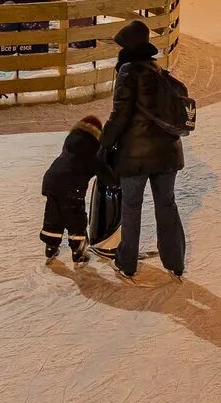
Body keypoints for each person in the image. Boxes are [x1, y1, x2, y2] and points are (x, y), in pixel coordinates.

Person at [96, 20, 186, 282]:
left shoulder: (128, 71)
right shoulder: (158, 70)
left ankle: (127, 263)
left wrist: (104, 143)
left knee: (132, 206)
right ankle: (175, 262)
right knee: (166, 205)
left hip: (136, 156)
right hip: (168, 154)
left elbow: (120, 114)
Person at [40, 114, 110, 263]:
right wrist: (113, 180)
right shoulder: (93, 146)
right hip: (72, 186)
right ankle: (78, 250)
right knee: (75, 217)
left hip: (52, 179)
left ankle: (51, 247)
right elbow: (100, 168)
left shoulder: (71, 139)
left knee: (54, 214)